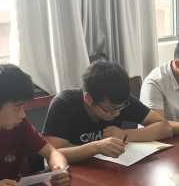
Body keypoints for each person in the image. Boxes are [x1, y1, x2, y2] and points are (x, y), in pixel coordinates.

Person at [43, 61, 172, 163]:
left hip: (113, 169)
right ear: (88, 99)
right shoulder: (64, 104)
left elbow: (165, 127)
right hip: (76, 173)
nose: (116, 114)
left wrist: (125, 134)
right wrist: (96, 147)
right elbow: (53, 153)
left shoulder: (120, 99)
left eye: (120, 108)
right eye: (110, 110)